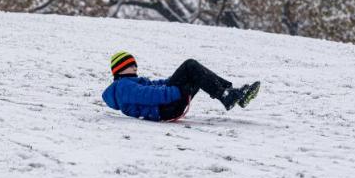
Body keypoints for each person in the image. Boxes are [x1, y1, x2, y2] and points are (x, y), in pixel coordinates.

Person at [101, 51, 260, 122]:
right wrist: (178, 90)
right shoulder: (123, 87)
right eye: (130, 65)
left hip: (167, 107)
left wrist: (175, 81)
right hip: (164, 109)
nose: (135, 67)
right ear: (120, 69)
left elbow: (156, 85)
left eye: (135, 64)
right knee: (190, 65)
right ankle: (227, 95)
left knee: (194, 72)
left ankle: (231, 94)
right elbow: (150, 96)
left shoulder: (132, 83)